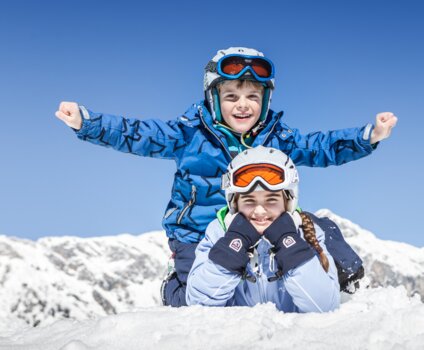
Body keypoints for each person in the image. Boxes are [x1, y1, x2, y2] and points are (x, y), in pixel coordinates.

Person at [54, 47, 396, 306]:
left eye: (253, 96)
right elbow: (138, 133)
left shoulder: (278, 137)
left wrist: (368, 136)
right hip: (198, 232)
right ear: (213, 99)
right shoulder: (188, 134)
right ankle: (175, 288)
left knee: (320, 225)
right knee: (205, 300)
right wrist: (88, 122)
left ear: (266, 99)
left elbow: (320, 148)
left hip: (261, 222)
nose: (243, 105)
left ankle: (345, 280)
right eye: (231, 96)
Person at [186, 146, 339, 312]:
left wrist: (292, 248)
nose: (259, 211)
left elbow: (325, 307)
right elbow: (198, 304)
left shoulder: (307, 232)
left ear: (288, 201)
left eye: (271, 200)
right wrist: (231, 250)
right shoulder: (218, 233)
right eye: (249, 200)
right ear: (234, 203)